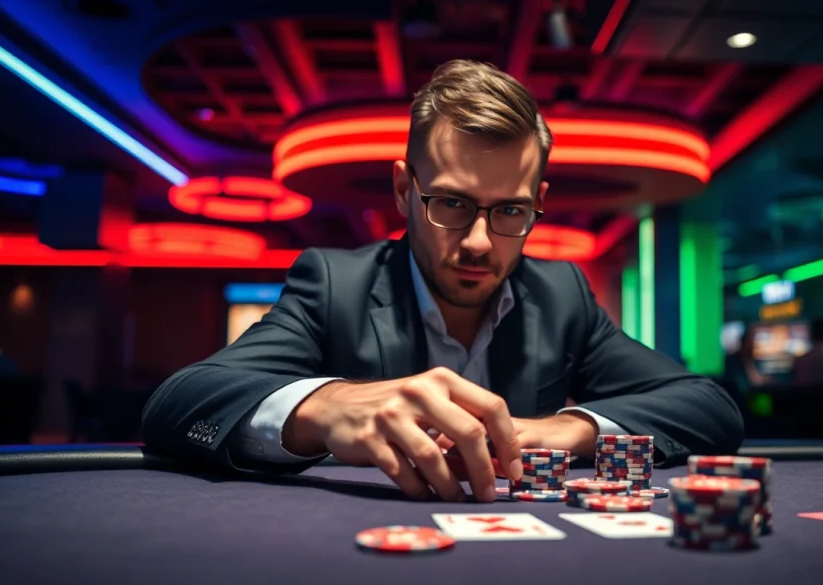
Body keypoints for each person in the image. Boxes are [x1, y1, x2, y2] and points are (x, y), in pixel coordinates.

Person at [142, 60, 743, 503]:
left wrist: (566, 428)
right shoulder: (335, 283)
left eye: (510, 211)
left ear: (538, 203)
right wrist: (328, 407)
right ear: (404, 190)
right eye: (452, 203)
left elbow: (708, 408)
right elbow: (178, 405)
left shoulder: (562, 293)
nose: (481, 241)